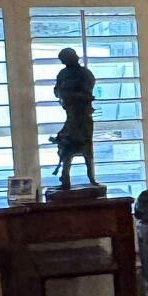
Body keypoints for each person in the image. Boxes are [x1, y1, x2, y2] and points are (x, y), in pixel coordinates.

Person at [51, 47, 101, 192]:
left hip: (83, 116)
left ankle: (92, 179)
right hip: (70, 115)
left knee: (86, 149)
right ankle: (65, 179)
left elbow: (87, 91)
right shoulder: (63, 74)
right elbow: (57, 90)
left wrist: (72, 94)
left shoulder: (85, 74)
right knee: (66, 147)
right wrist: (63, 94)